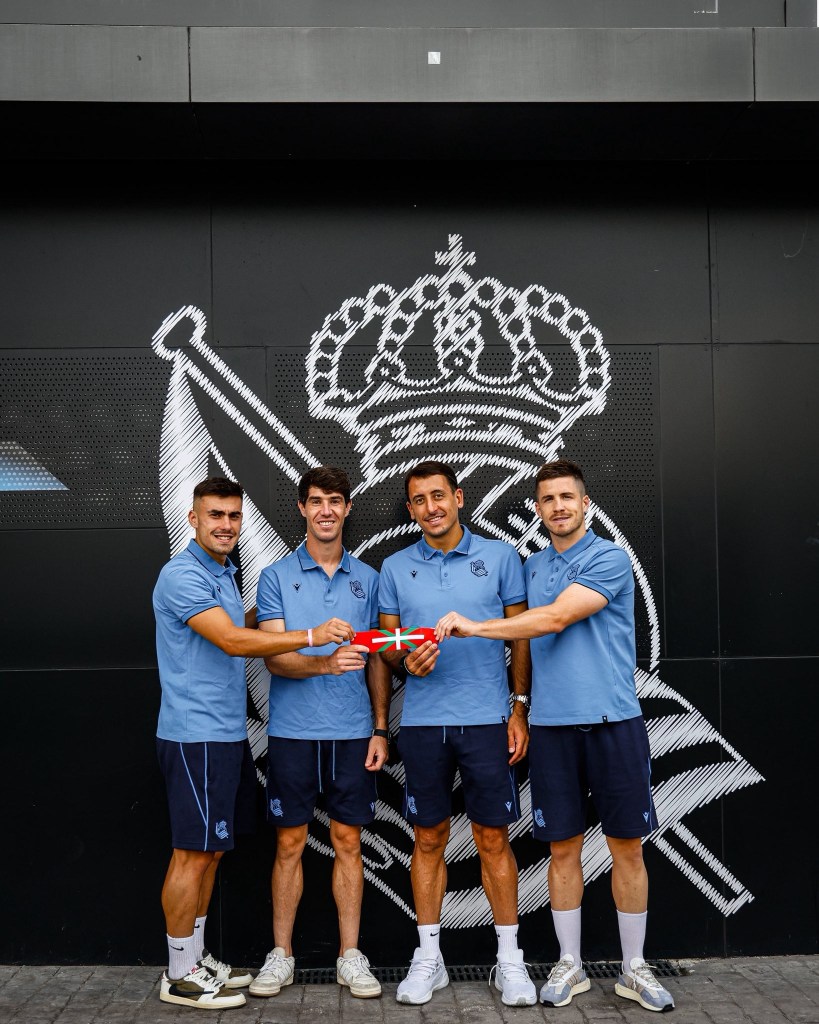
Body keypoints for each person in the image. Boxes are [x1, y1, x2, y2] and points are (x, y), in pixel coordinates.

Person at [435, 459, 674, 1013]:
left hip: (613, 723)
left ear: (584, 504)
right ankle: (571, 964)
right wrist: (517, 705)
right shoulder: (533, 567)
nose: (558, 507)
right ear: (539, 509)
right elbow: (523, 632)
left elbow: (555, 619)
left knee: (626, 847)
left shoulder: (609, 558)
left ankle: (634, 968)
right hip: (551, 729)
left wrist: (474, 627)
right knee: (562, 849)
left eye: (567, 497)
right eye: (547, 499)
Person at [153, 476, 354, 1011]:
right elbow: (232, 639)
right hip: (193, 734)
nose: (225, 525)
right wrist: (309, 635)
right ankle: (179, 974)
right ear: (192, 519)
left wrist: (276, 615)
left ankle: (195, 959)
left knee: (212, 850)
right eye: (215, 515)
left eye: (233, 516)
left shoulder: (221, 573)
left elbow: (239, 624)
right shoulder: (182, 575)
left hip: (224, 734)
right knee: (192, 853)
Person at [378, 460, 536, 1007]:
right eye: (419, 500)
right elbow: (389, 648)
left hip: (488, 721)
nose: (431, 507)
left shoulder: (501, 557)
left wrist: (519, 708)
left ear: (459, 497)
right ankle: (429, 959)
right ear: (411, 509)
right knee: (427, 839)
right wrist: (405, 663)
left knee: (493, 839)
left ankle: (510, 960)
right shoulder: (395, 567)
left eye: (438, 496)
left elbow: (521, 636)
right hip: (424, 725)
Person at [249, 467, 390, 1000]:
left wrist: (380, 727)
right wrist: (325, 662)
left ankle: (350, 956)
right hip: (293, 733)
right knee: (289, 843)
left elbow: (377, 660)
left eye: (335, 500)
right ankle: (281, 955)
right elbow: (274, 657)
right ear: (302, 509)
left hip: (353, 733)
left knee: (348, 841)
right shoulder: (276, 577)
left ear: (347, 508)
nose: (326, 510)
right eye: (316, 501)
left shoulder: (369, 578)